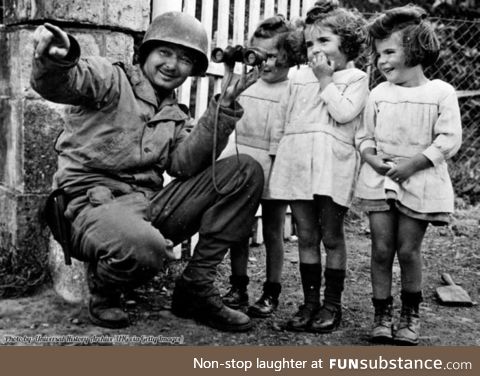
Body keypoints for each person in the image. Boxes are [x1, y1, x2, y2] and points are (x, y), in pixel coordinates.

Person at [31, 11, 264, 332]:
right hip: (85, 209)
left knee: (245, 170)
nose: (172, 65)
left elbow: (184, 165)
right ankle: (105, 289)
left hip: (144, 208)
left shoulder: (174, 113)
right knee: (147, 246)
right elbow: (64, 83)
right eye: (164, 52)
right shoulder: (110, 78)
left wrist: (223, 106)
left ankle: (196, 286)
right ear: (146, 53)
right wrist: (59, 57)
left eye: (184, 59)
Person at [355, 5, 462, 345]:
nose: (381, 61)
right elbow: (364, 135)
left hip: (419, 178)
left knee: (408, 250)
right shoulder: (379, 94)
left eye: (389, 52)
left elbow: (448, 139)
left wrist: (413, 164)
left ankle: (409, 317)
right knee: (381, 249)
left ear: (415, 49)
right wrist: (371, 159)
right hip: (381, 178)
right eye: (378, 54)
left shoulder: (440, 93)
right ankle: (381, 315)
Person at [269, 6, 368, 333]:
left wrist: (325, 79)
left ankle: (331, 305)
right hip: (297, 161)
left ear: (348, 44)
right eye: (310, 43)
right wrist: (276, 157)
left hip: (331, 166)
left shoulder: (355, 79)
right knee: (306, 235)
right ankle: (310, 303)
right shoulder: (297, 77)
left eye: (324, 40)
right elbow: (283, 119)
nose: (316, 50)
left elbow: (343, 114)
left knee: (331, 236)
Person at [219, 15, 294, 318]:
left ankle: (271, 291)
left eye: (273, 56)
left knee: (273, 230)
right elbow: (226, 100)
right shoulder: (247, 82)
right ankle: (238, 286)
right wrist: (229, 67)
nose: (266, 63)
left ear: (290, 55)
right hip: (242, 161)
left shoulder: (291, 89)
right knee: (239, 227)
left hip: (274, 163)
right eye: (259, 54)